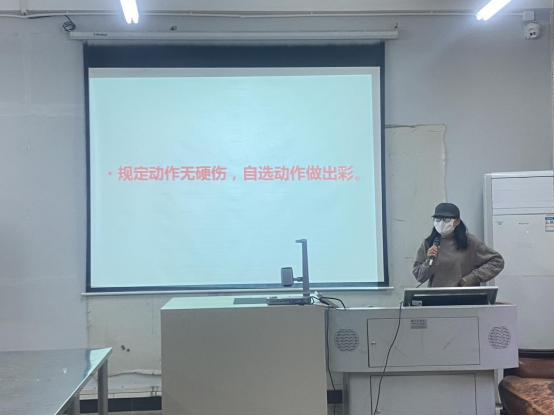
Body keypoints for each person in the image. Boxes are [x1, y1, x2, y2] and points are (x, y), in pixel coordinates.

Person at [413, 203, 504, 287]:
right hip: (437, 297)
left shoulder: (470, 242)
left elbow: (497, 261)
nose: (441, 223)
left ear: (457, 221)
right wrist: (428, 261)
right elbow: (419, 276)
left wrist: (474, 277)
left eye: (446, 219)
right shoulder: (429, 243)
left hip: (464, 296)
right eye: (438, 219)